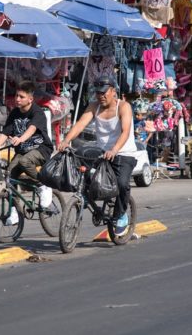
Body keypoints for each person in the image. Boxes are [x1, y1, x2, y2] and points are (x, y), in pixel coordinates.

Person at [58, 75, 137, 237]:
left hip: (123, 152)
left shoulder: (124, 107)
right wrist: (66, 141)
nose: (100, 96)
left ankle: (121, 215)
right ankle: (85, 195)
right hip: (102, 152)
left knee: (121, 184)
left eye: (104, 92)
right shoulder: (94, 106)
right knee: (79, 158)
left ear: (113, 91)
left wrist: (114, 150)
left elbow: (126, 131)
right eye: (98, 93)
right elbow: (80, 124)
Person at [0, 81, 53, 224]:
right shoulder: (14, 113)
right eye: (16, 96)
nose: (17, 99)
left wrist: (20, 139)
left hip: (41, 149)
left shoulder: (37, 112)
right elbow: (5, 133)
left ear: (30, 99)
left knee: (24, 161)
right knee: (9, 176)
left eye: (21, 96)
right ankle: (14, 212)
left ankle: (43, 186)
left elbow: (31, 129)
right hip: (23, 151)